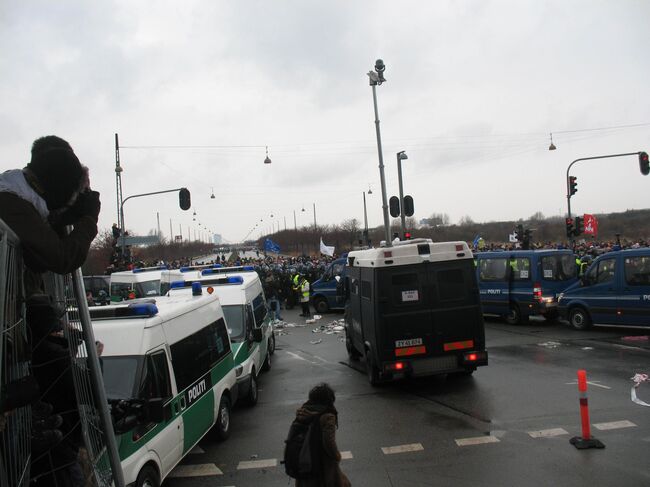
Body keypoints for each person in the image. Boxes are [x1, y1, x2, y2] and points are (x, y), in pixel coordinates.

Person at [292, 383, 350, 487]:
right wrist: (337, 456)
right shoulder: (327, 417)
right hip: (323, 470)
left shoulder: (302, 414)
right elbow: (329, 442)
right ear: (329, 400)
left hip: (305, 468)